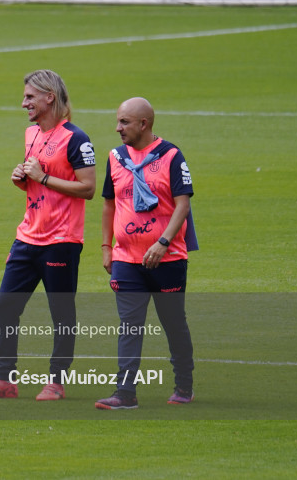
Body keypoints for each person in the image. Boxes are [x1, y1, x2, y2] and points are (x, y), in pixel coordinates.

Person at [0, 69, 96, 401]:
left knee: (61, 313)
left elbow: (88, 188)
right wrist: (23, 180)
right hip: (27, 236)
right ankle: (5, 380)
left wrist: (43, 177)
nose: (23, 103)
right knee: (5, 305)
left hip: (61, 241)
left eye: (29, 97)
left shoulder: (76, 139)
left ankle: (56, 382)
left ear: (49, 97)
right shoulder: (31, 134)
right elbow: (38, 180)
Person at [95, 97, 197, 410]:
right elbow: (109, 205)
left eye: (124, 122)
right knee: (129, 326)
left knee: (173, 323)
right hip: (127, 260)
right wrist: (106, 247)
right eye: (118, 121)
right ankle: (125, 393)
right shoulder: (116, 157)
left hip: (168, 259)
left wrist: (163, 242)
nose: (117, 128)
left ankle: (184, 384)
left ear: (144, 124)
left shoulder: (171, 156)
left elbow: (183, 204)